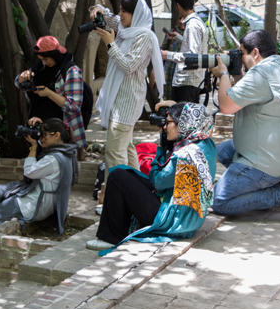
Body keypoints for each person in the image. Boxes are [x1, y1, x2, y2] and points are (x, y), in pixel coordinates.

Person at [86, 102, 217, 254]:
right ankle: (119, 229)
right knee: (127, 173)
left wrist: (162, 148)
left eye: (168, 123)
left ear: (183, 124)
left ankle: (111, 238)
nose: (164, 127)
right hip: (189, 219)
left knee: (117, 177)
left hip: (172, 221)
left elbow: (157, 181)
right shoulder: (206, 143)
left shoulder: (185, 156)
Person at [209, 29, 280, 221]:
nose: (240, 58)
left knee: (219, 200)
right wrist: (236, 71)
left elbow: (227, 106)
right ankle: (265, 187)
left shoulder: (261, 73)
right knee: (222, 151)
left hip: (267, 163)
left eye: (242, 54)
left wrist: (224, 74)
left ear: (255, 53)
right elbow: (248, 92)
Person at [91, 0, 165, 175]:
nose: (120, 14)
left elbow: (128, 66)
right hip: (118, 101)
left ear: (136, 14)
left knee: (114, 154)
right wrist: (97, 8)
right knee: (126, 148)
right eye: (120, 10)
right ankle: (137, 187)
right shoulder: (126, 28)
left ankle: (116, 191)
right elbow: (109, 17)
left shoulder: (144, 37)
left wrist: (110, 44)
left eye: (124, 11)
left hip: (126, 103)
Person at [15, 36, 87, 150]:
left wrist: (49, 93)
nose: (44, 63)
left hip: (60, 134)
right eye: (41, 60)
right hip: (41, 131)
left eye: (46, 59)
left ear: (55, 55)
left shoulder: (72, 71)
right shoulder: (40, 68)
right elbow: (19, 85)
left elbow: (74, 106)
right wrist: (22, 78)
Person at [161, 0, 209, 104]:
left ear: (178, 5)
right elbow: (194, 48)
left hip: (188, 83)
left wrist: (168, 55)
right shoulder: (197, 22)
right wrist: (178, 38)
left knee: (183, 114)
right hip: (191, 81)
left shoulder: (192, 25)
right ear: (193, 3)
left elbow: (193, 56)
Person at [161, 17, 185, 101]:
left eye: (184, 19)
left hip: (183, 73)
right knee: (168, 98)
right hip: (170, 71)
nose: (181, 21)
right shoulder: (172, 32)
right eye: (179, 19)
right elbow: (162, 49)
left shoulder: (190, 33)